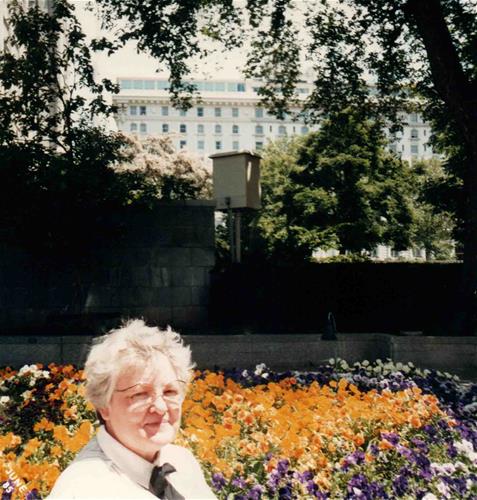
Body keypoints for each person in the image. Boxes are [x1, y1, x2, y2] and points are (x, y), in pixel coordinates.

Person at [48, 319, 217, 499]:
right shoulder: (85, 489)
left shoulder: (181, 461)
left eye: (170, 391)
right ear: (104, 406)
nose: (160, 407)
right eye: (140, 394)